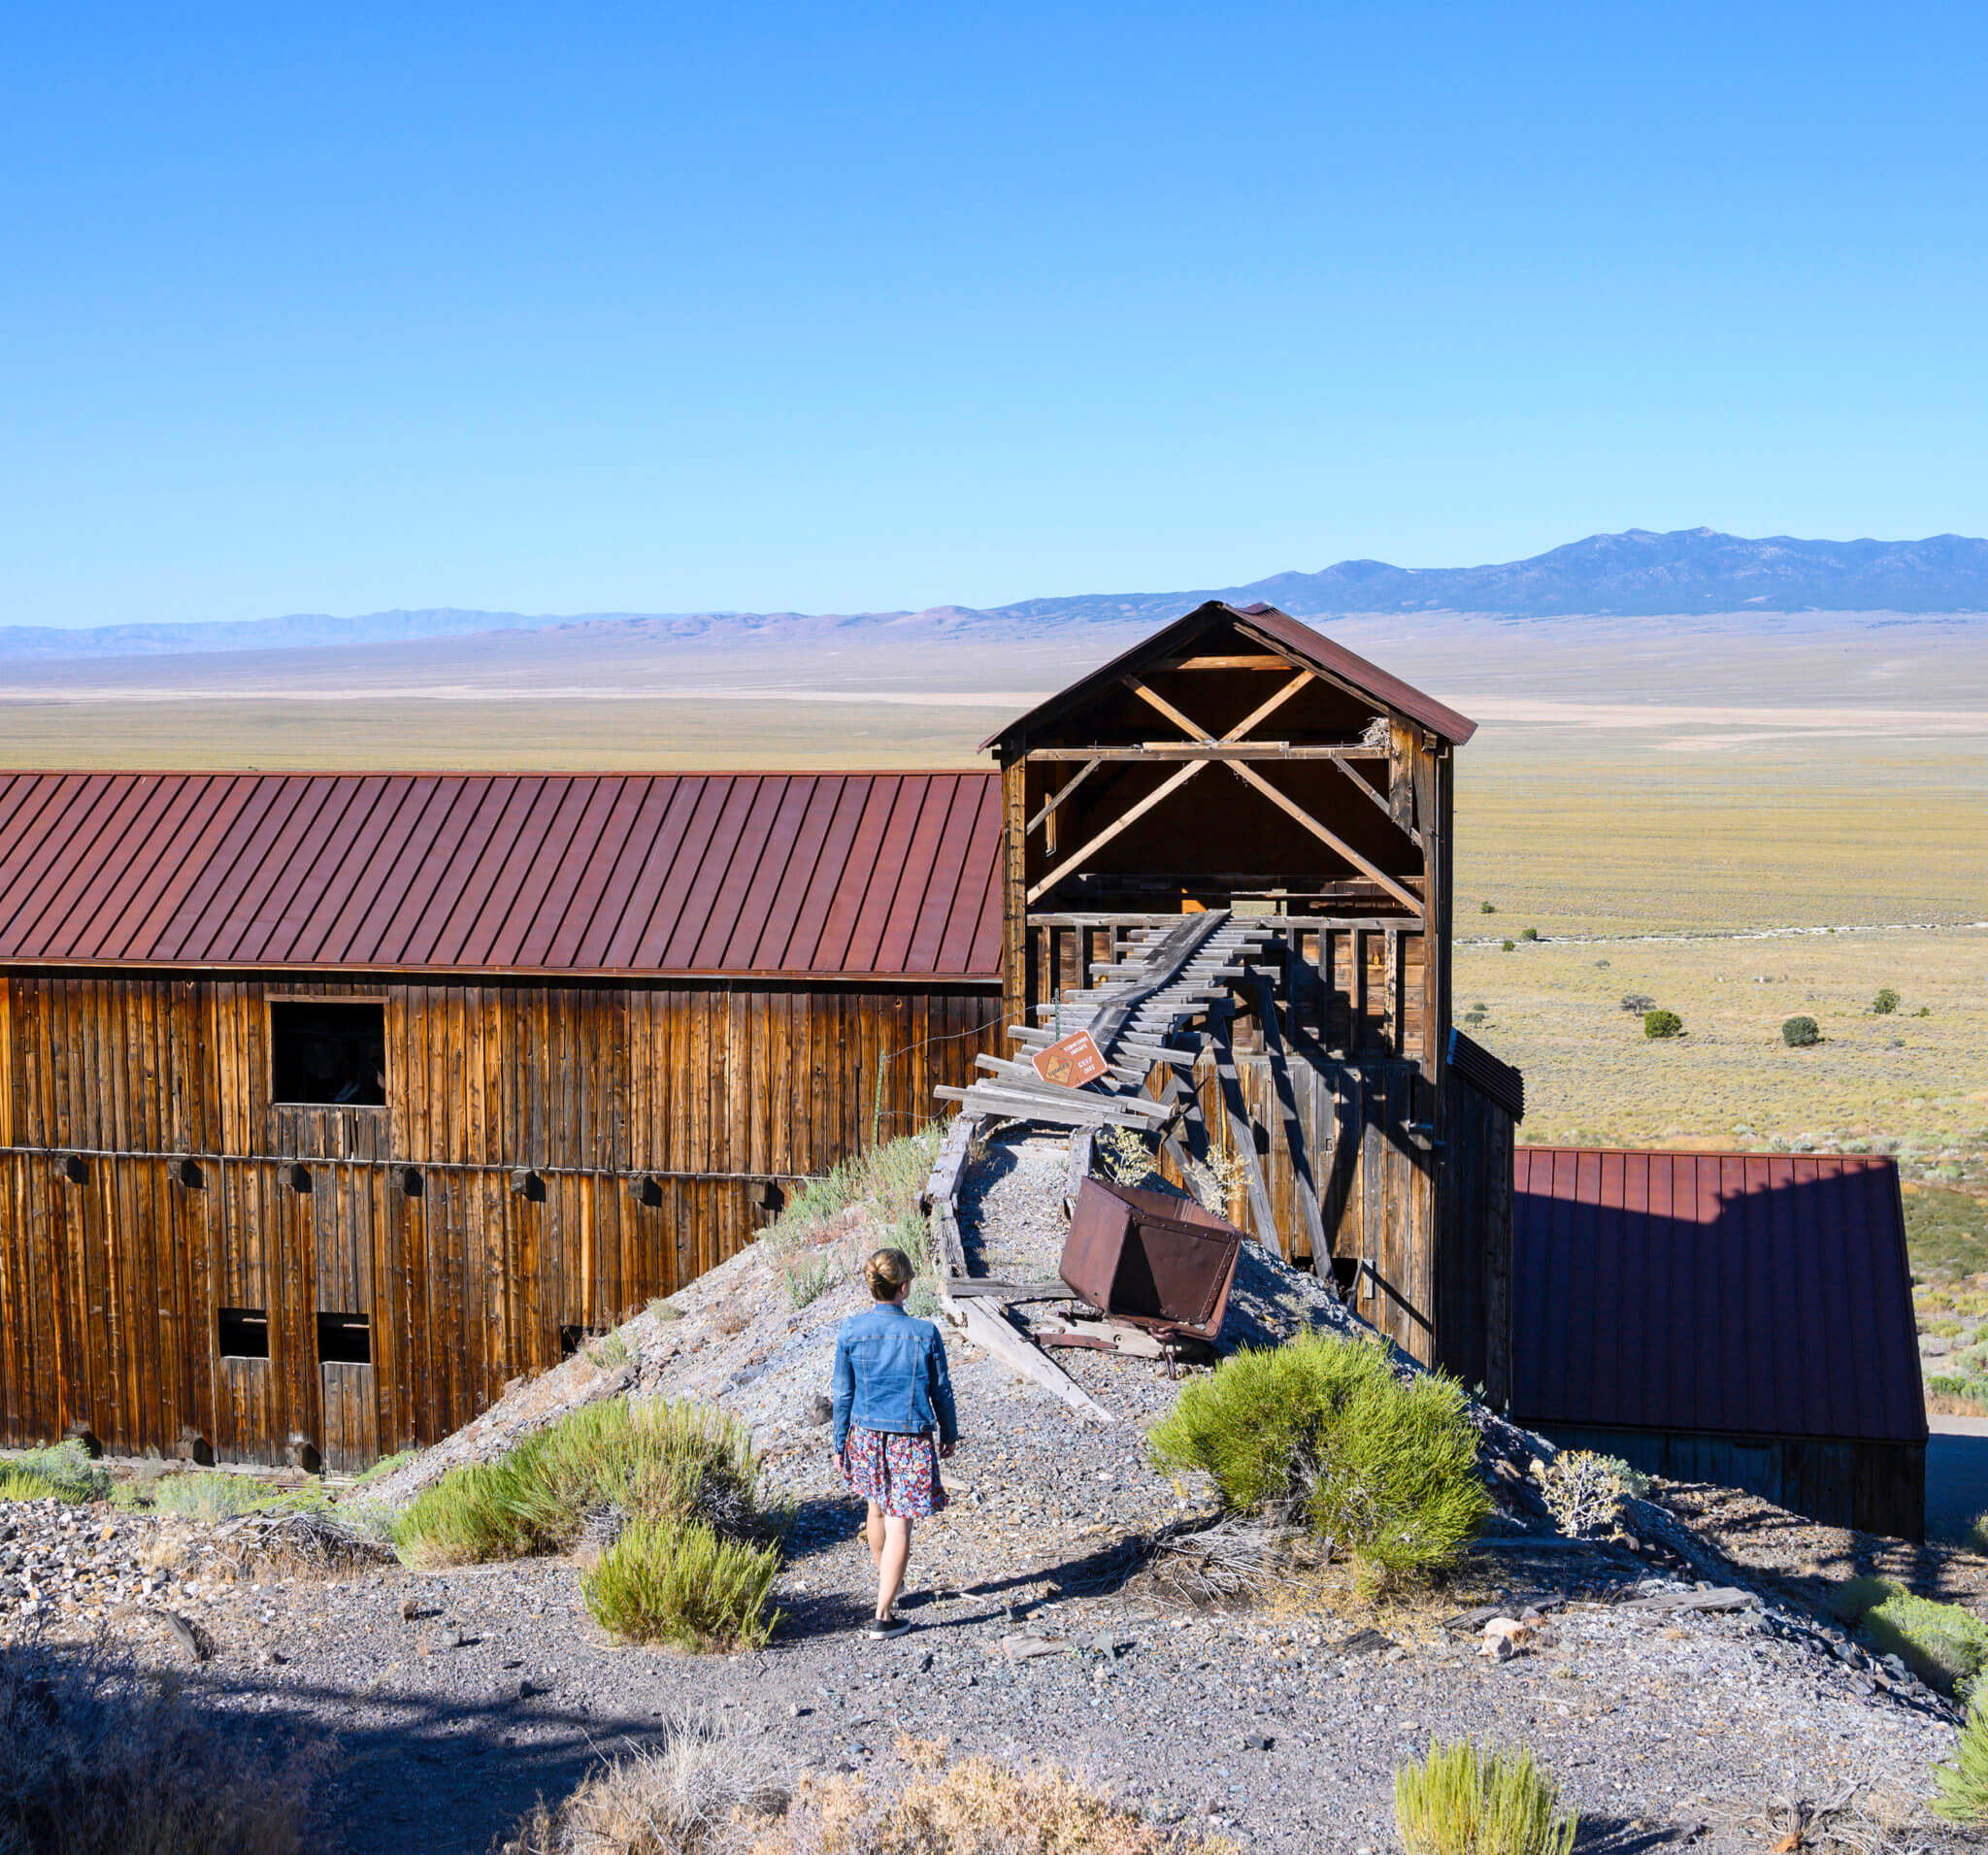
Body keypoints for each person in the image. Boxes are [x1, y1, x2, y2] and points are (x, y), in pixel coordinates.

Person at [830, 1246, 958, 1639]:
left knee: (877, 1508)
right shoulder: (924, 1333)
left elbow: (843, 1394)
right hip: (909, 1440)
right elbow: (941, 1391)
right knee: (900, 1521)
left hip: (865, 1437)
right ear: (904, 1287)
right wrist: (949, 1432)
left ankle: (889, 1578)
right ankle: (883, 1616)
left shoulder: (851, 1330)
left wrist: (839, 1443)